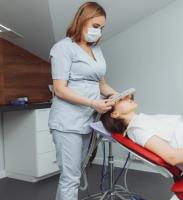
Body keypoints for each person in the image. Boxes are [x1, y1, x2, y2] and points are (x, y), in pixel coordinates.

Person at [48, 2, 118, 200]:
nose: (99, 32)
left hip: (87, 121)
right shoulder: (62, 48)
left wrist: (119, 96)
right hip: (67, 122)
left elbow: (101, 85)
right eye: (95, 26)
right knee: (70, 177)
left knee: (75, 173)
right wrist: (93, 103)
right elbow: (60, 90)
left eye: (101, 28)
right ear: (82, 20)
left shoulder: (97, 51)